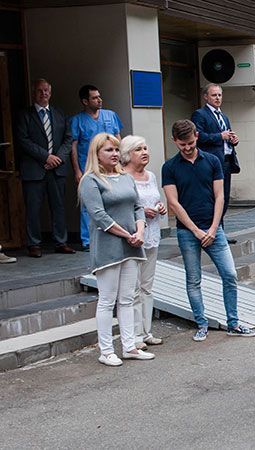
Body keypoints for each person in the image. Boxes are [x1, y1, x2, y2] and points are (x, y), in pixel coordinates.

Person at [162, 120, 255, 342]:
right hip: (187, 232)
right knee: (193, 279)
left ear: (197, 136)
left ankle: (233, 323)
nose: (187, 148)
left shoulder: (212, 160)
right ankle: (201, 323)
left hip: (214, 228)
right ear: (174, 141)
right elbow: (173, 203)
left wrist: (214, 228)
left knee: (230, 274)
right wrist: (196, 231)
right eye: (182, 144)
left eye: (191, 143)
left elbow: (220, 196)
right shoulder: (170, 167)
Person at [78, 133, 153, 366]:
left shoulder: (125, 177)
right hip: (109, 247)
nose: (114, 154)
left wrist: (140, 232)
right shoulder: (90, 180)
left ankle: (129, 346)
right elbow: (99, 215)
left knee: (127, 298)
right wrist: (127, 234)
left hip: (132, 245)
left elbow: (138, 207)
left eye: (115, 149)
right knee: (107, 300)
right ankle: (106, 350)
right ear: (97, 154)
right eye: (108, 150)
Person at [14, 79, 76, 257]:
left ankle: (61, 242)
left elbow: (68, 139)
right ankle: (34, 243)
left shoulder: (59, 113)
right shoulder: (25, 115)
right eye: (40, 91)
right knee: (33, 208)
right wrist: (45, 156)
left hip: (57, 169)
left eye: (47, 90)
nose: (44, 93)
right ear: (34, 93)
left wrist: (57, 158)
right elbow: (23, 140)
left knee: (58, 207)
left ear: (51, 92)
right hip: (34, 169)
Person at [120, 135, 166, 349]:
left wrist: (160, 207)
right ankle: (135, 335)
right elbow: (121, 207)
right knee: (134, 288)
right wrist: (140, 213)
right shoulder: (122, 177)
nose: (145, 152)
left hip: (152, 235)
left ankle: (147, 331)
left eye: (146, 148)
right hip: (133, 238)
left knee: (147, 286)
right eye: (139, 149)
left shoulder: (151, 176)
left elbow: (155, 199)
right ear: (128, 154)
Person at [71, 84, 123, 251]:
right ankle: (88, 240)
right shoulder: (77, 120)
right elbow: (73, 146)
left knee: (114, 199)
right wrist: (77, 170)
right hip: (89, 167)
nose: (99, 100)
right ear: (85, 101)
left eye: (99, 96)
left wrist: (120, 161)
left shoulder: (110, 115)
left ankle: (116, 232)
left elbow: (118, 138)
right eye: (94, 97)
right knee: (89, 204)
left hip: (111, 167)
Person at [191, 83, 240, 243]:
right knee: (214, 197)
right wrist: (220, 136)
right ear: (206, 96)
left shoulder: (224, 116)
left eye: (219, 95)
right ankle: (213, 230)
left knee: (224, 197)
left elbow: (226, 137)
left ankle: (220, 230)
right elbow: (199, 137)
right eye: (214, 95)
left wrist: (233, 140)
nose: (218, 98)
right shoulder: (200, 114)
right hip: (211, 162)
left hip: (226, 161)